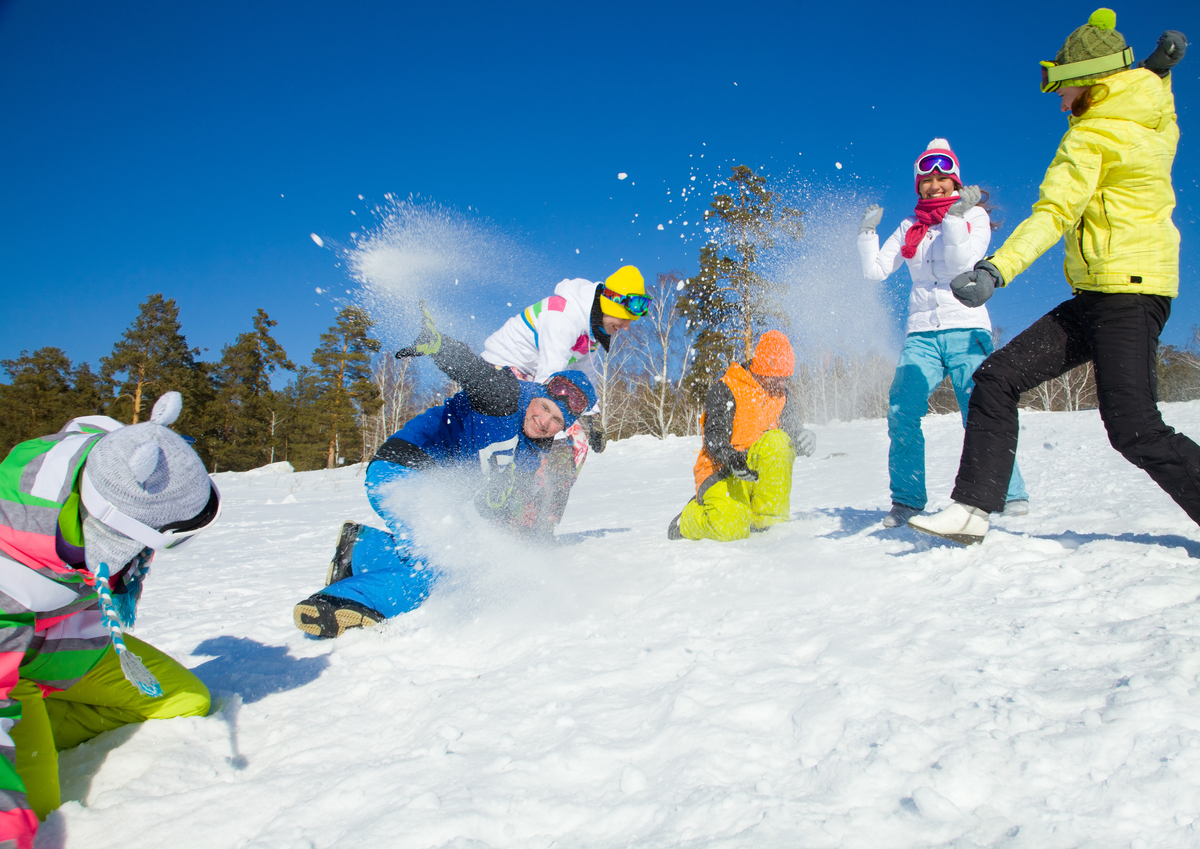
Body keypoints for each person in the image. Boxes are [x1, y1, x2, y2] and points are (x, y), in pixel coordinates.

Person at [910, 10, 1190, 545]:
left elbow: (1053, 213)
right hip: (1104, 293)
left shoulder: (1091, 138)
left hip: (1125, 294)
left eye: (1063, 86)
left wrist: (997, 268)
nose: (1057, 98)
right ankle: (972, 508)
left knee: (1135, 428)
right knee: (997, 377)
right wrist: (1157, 71)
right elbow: (1152, 102)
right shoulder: (1151, 121)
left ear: (1091, 83)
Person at [294, 305, 597, 638]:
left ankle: (361, 551)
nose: (544, 422)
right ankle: (339, 603)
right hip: (405, 470)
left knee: (466, 554)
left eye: (556, 421)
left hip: (434, 489)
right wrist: (439, 346)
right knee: (444, 564)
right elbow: (476, 373)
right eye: (544, 409)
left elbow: (495, 501)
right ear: (537, 396)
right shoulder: (508, 397)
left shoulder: (534, 450)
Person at [0, 392, 220, 847]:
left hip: (70, 646)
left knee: (188, 700)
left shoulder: (114, 458)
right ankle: (22, 723)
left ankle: (41, 712)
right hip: (10, 664)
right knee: (32, 819)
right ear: (113, 532)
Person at [859, 139, 1029, 528]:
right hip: (921, 333)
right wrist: (867, 235)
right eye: (926, 180)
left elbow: (962, 267)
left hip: (967, 328)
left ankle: (1009, 491)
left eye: (942, 178)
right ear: (918, 186)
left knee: (983, 410)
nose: (934, 186)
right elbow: (875, 272)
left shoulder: (975, 218)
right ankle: (907, 500)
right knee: (902, 412)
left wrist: (954, 219)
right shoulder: (908, 228)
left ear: (954, 181)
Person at [480, 265, 650, 527]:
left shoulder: (592, 330)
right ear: (611, 305)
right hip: (501, 372)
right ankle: (509, 516)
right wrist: (556, 438)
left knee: (578, 442)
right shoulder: (564, 318)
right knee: (550, 439)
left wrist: (592, 417)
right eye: (625, 318)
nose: (627, 327)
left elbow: (585, 377)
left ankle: (541, 520)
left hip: (532, 380)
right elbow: (550, 379)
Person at [668, 331, 817, 541]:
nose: (781, 384)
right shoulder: (726, 388)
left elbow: (792, 435)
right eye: (777, 377)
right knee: (731, 529)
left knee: (779, 441)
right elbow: (713, 437)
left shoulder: (782, 396)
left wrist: (804, 437)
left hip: (753, 472)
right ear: (762, 368)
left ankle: (767, 521)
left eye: (785, 378)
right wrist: (731, 458)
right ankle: (687, 519)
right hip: (721, 472)